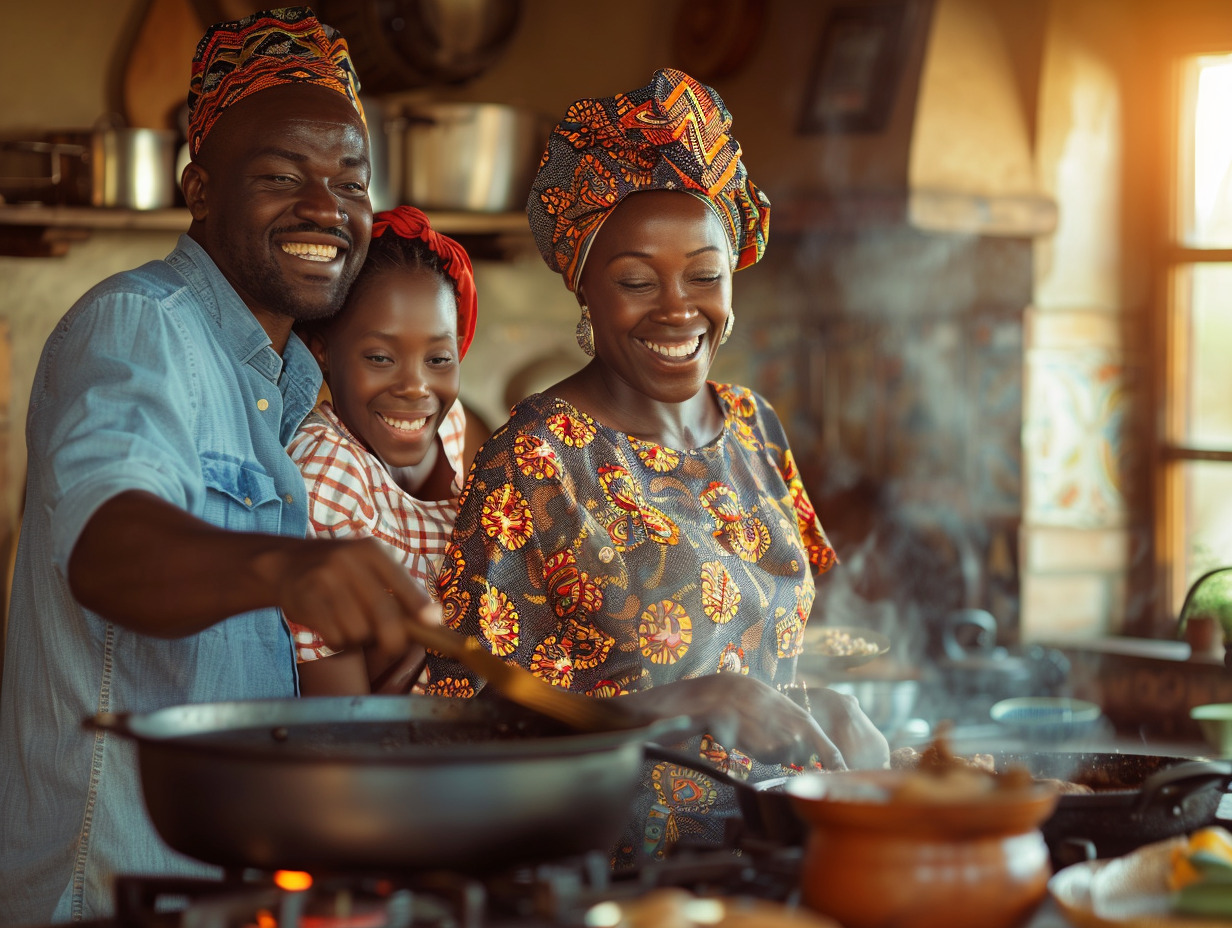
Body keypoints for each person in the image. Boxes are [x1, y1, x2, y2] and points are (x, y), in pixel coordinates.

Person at [0, 9, 438, 923]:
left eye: (350, 183)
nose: (326, 209)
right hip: (110, 893)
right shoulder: (142, 325)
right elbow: (107, 544)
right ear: (198, 188)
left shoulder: (287, 386)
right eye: (282, 177)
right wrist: (291, 568)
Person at [417, 68, 888, 867]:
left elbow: (768, 649)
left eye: (705, 275)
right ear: (586, 290)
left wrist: (823, 704)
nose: (678, 308)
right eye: (637, 280)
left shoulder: (753, 427)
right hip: (620, 875)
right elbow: (461, 720)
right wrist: (684, 703)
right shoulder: (537, 458)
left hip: (777, 855)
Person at [286, 205, 479, 695]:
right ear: (322, 352)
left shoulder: (454, 428)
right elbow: (343, 723)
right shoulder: (326, 477)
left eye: (438, 358)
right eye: (380, 357)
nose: (416, 387)